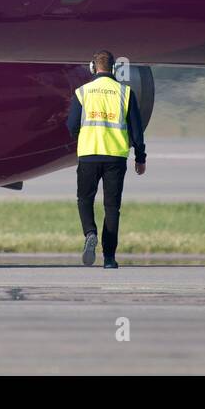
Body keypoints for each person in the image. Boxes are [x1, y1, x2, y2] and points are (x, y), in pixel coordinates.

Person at [66, 50, 146, 269]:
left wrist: (82, 138)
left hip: (89, 155)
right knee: (112, 208)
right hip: (115, 157)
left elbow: (71, 125)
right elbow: (137, 132)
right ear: (114, 68)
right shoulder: (125, 92)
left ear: (93, 67)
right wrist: (140, 158)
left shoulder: (83, 92)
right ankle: (109, 258)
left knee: (84, 199)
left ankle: (90, 233)